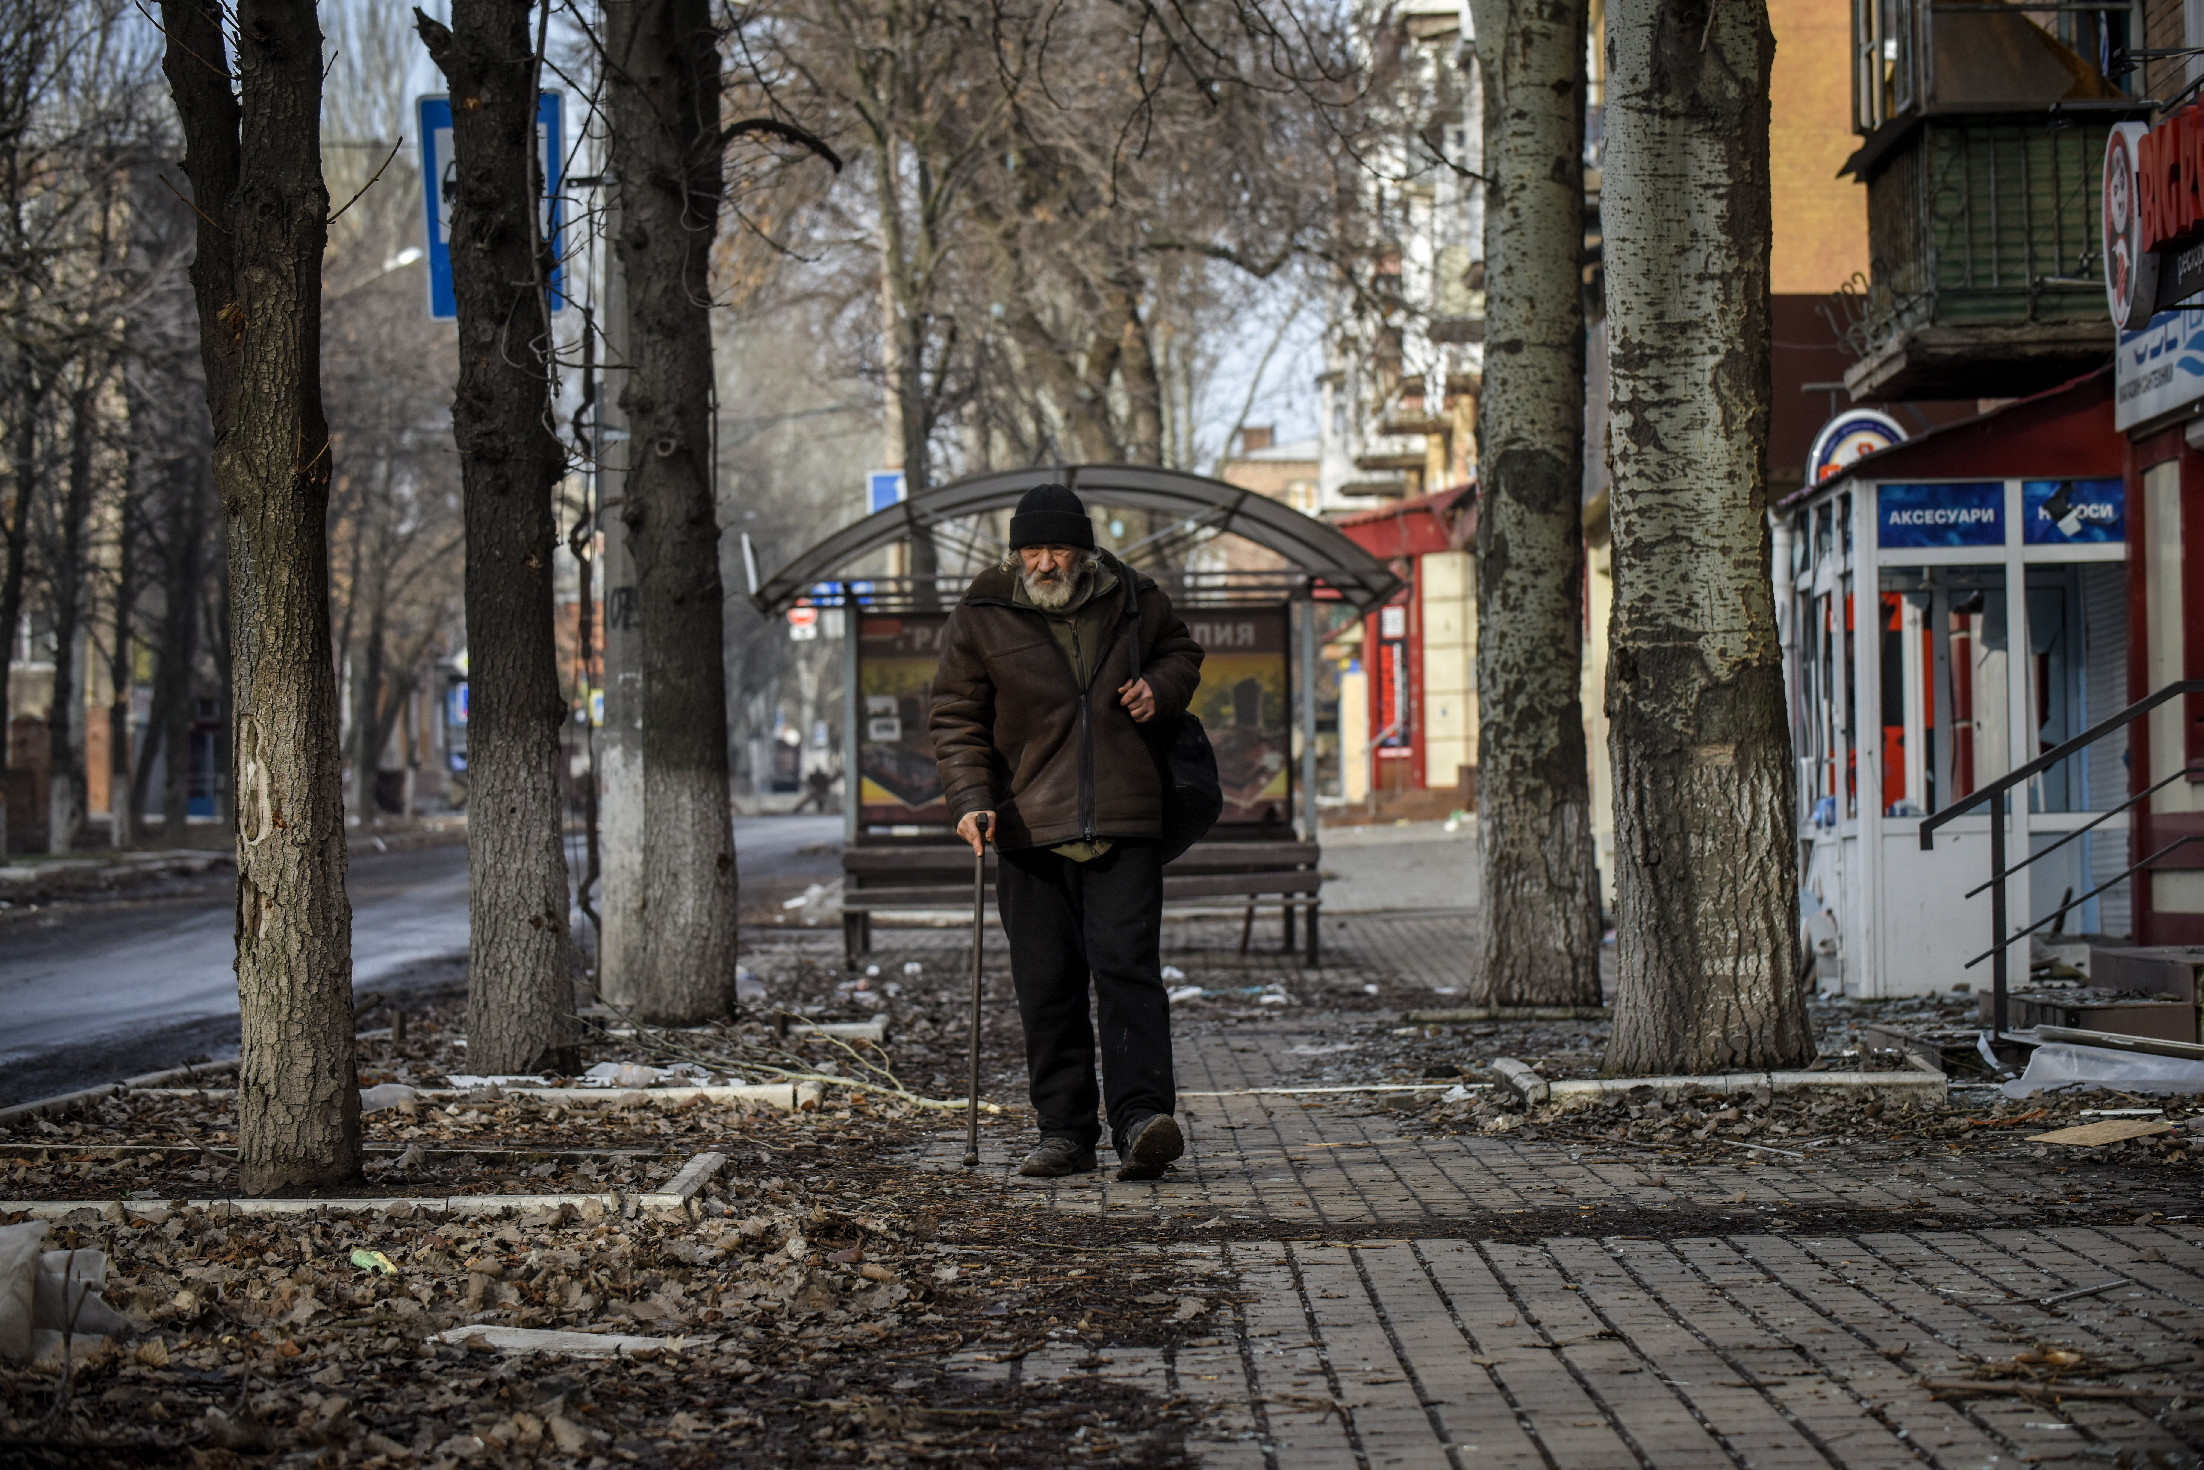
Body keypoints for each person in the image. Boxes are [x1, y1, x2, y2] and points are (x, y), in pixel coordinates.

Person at [929, 483, 1205, 1180]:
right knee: (1047, 983)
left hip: (1125, 814)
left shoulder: (1135, 597)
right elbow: (956, 714)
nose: (1045, 562)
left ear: (1083, 551)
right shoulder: (983, 610)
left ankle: (1141, 1120)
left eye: (1058, 548)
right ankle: (1064, 1132)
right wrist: (970, 797)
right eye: (1033, 549)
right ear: (1016, 553)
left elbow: (1182, 654)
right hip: (1027, 823)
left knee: (1128, 975)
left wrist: (1160, 689)